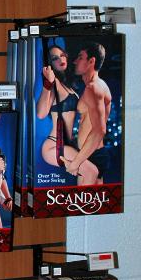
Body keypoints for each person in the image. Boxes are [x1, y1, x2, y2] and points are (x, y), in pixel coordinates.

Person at [35, 43, 98, 184]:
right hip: (54, 146)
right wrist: (47, 83)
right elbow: (40, 114)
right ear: (50, 64)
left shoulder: (68, 85)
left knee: (86, 178)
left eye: (62, 55)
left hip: (68, 145)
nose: (60, 59)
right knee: (92, 172)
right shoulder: (54, 84)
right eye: (55, 58)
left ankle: (82, 199)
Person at [60, 43, 112, 182]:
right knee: (94, 196)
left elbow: (99, 130)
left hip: (90, 155)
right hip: (93, 154)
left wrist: (75, 164)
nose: (75, 61)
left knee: (84, 197)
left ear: (91, 61)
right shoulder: (99, 86)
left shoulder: (93, 88)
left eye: (80, 57)